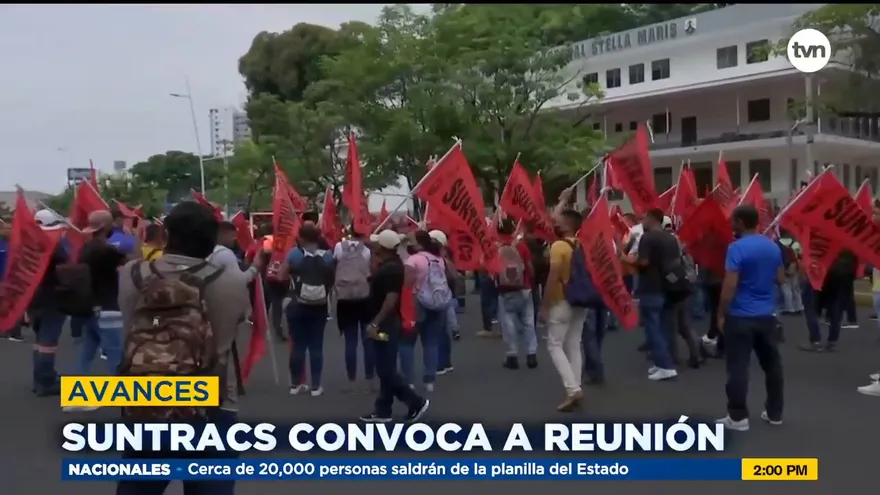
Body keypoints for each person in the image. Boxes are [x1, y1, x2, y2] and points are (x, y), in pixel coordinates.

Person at [117, 201, 248, 495]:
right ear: (212, 239)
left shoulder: (132, 273)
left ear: (166, 233)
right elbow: (228, 334)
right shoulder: (231, 279)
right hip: (211, 405)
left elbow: (128, 325)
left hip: (145, 398)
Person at [716, 205, 784, 431]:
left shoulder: (736, 248)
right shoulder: (772, 246)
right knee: (772, 366)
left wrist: (720, 313)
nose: (730, 223)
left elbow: (730, 285)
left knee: (738, 367)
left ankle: (738, 417)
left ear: (741, 222)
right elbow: (781, 278)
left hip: (740, 315)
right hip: (767, 315)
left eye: (733, 220)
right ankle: (775, 413)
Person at [64, 211, 141, 412]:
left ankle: (76, 397)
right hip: (109, 308)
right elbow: (136, 261)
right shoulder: (106, 251)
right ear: (106, 226)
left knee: (86, 353)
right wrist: (135, 236)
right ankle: (120, 397)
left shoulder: (86, 249)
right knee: (116, 353)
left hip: (89, 307)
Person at [359, 229, 430, 422]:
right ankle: (383, 409)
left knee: (385, 368)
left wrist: (375, 322)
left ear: (383, 247)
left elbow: (390, 299)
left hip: (386, 325)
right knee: (385, 366)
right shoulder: (390, 265)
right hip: (385, 324)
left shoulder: (391, 269)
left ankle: (415, 401)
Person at [539, 210, 587, 412]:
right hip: (582, 298)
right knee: (574, 344)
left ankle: (573, 389)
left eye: (558, 221)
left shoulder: (559, 246)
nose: (555, 224)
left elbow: (553, 277)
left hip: (561, 300)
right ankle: (575, 386)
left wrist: (544, 305)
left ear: (567, 225)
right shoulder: (583, 244)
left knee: (554, 344)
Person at [281, 223, 334, 396]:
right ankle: (316, 386)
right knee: (316, 346)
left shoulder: (294, 254)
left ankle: (296, 384)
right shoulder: (327, 256)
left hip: (297, 303)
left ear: (301, 238)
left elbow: (281, 276)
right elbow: (332, 279)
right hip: (320, 305)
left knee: (298, 345)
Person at [401, 231, 450, 392]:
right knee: (431, 342)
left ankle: (409, 380)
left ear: (418, 243)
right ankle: (430, 380)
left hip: (416, 302)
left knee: (407, 342)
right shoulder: (438, 259)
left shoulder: (413, 260)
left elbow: (408, 282)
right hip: (437, 302)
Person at [28, 210, 70, 397]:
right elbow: (65, 259)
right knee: (48, 342)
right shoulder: (53, 245)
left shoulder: (28, 244)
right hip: (50, 297)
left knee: (39, 341)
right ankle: (46, 381)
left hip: (33, 297)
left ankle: (39, 378)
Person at [334, 225, 375, 392]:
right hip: (364, 298)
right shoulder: (367, 250)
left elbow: (334, 264)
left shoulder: (339, 247)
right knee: (368, 340)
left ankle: (351, 380)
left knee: (350, 342)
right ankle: (369, 379)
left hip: (345, 299)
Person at [494, 219, 538, 370]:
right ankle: (531, 354)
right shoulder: (520, 245)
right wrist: (531, 281)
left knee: (508, 323)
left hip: (505, 290)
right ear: (512, 229)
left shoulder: (496, 247)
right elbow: (529, 267)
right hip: (524, 287)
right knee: (528, 322)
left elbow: (491, 270)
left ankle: (511, 355)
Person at [428, 229, 461, 367]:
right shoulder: (445, 260)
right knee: (443, 331)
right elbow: (455, 277)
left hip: (438, 298)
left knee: (438, 333)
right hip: (447, 296)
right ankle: (446, 362)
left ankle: (441, 363)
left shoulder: (436, 261)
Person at [0, 221, 24, 342]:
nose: (8, 231)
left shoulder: (16, 245)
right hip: (6, 280)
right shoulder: (5, 245)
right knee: (9, 305)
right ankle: (9, 331)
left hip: (13, 279)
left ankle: (13, 331)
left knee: (13, 305)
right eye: (6, 229)